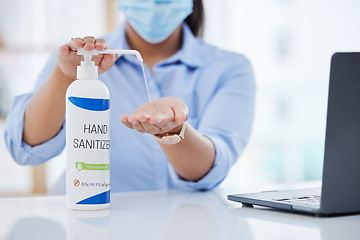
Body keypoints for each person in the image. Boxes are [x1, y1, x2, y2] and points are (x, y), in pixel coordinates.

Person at [4, 0, 255, 192]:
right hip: (83, 221)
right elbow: (25, 149)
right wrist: (66, 77)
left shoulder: (229, 68)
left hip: (185, 226)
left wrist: (172, 130)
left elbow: (210, 171)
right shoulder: (79, 58)